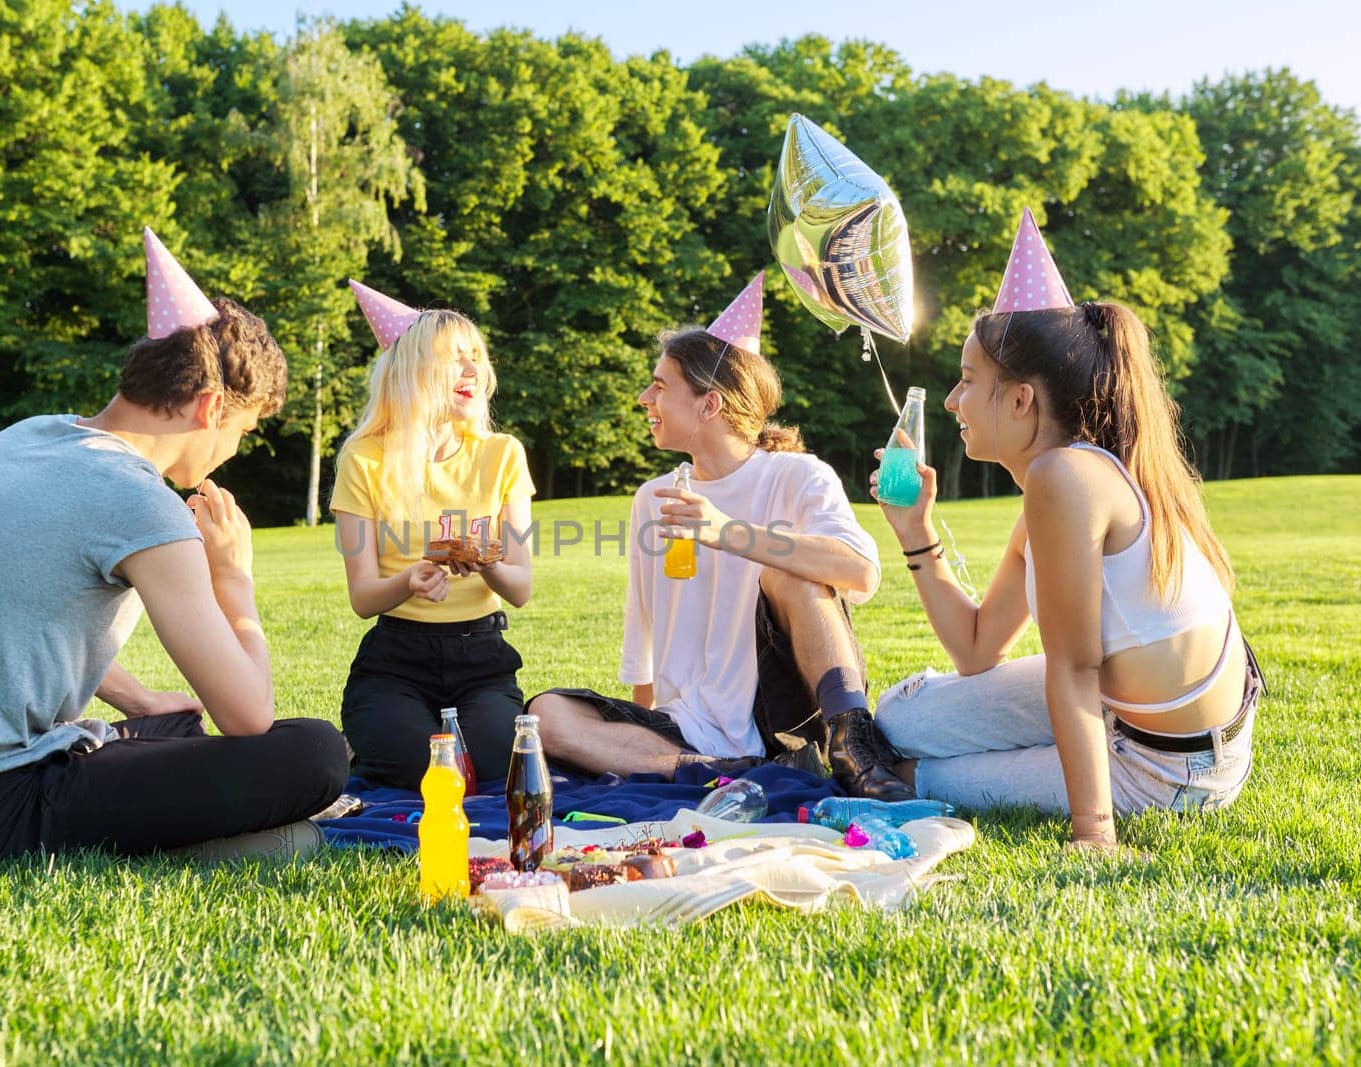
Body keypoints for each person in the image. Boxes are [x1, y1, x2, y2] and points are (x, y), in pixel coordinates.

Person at [0, 227, 349, 861]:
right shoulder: (139, 498)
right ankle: (200, 848)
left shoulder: (30, 436)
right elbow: (248, 715)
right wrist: (232, 577)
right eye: (244, 430)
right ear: (209, 408)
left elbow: (23, 614)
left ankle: (192, 825)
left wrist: (139, 700)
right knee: (313, 752)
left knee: (171, 721)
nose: (233, 451)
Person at [867, 210, 1260, 852]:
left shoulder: (1063, 478)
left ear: (1021, 400)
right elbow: (975, 650)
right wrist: (915, 530)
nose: (949, 403)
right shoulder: (1074, 479)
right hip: (1147, 723)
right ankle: (1059, 746)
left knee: (908, 773)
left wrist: (1093, 833)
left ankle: (1071, 782)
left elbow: (1074, 669)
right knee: (899, 717)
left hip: (1169, 771)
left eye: (967, 382)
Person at [529, 273, 912, 799]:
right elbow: (646, 634)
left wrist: (726, 531)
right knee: (545, 714)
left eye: (660, 387)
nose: (645, 398)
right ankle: (711, 771)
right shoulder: (654, 497)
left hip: (783, 715)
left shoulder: (797, 475)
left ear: (710, 405)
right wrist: (635, 731)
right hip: (689, 727)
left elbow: (859, 569)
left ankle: (852, 744)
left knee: (792, 574)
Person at [330, 280, 535, 789]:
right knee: (421, 773)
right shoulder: (363, 460)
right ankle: (380, 732)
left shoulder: (503, 454)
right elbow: (362, 598)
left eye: (476, 357)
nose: (473, 371)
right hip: (396, 660)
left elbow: (521, 588)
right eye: (455, 359)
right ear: (414, 372)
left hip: (483, 657)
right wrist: (410, 580)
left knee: (492, 768)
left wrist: (485, 561)